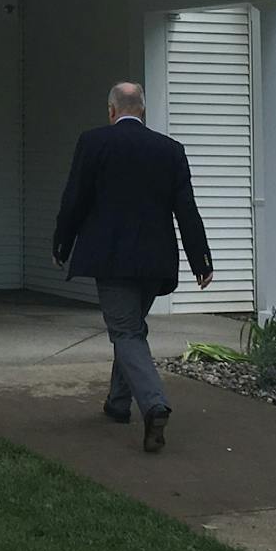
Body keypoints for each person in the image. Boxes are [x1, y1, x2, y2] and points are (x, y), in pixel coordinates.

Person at [51, 80, 212, 453]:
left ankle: (154, 405)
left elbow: (74, 198)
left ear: (111, 110)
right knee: (131, 329)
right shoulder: (170, 150)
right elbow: (186, 210)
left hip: (111, 259)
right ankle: (117, 403)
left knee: (125, 334)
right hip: (156, 263)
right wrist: (201, 260)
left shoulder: (93, 143)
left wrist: (62, 243)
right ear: (142, 109)